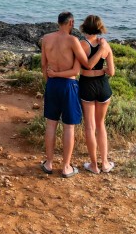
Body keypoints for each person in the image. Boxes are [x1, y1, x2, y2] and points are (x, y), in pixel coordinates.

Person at [40, 12, 105, 178]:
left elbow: (43, 65)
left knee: (51, 124)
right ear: (71, 22)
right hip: (69, 85)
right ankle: (66, 166)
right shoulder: (72, 40)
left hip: (52, 85)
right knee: (69, 126)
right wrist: (102, 49)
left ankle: (48, 163)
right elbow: (85, 65)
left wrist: (50, 79)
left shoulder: (46, 39)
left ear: (58, 22)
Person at [78, 14, 116, 174]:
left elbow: (83, 67)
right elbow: (112, 72)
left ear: (85, 27)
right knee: (101, 125)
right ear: (100, 28)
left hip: (87, 85)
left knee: (90, 126)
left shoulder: (82, 44)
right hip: (103, 85)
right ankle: (105, 163)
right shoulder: (105, 46)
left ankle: (94, 165)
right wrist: (103, 67)